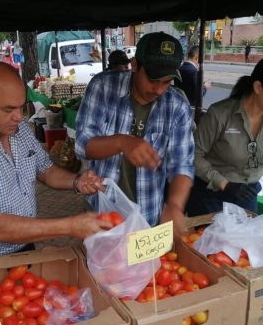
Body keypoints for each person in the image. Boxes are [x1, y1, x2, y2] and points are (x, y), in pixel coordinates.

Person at [0, 62, 113, 265]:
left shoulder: (17, 130)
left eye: (22, 106)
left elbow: (45, 170)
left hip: (23, 244)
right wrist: (70, 225)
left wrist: (77, 181)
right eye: (9, 109)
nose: (19, 117)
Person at [76, 32, 194, 235]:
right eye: (153, 79)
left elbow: (182, 164)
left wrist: (174, 205)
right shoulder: (103, 87)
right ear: (134, 65)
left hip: (148, 216)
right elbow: (83, 144)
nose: (158, 89)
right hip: (102, 213)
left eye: (167, 82)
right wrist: (122, 142)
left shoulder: (177, 106)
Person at [186, 53, 263, 216]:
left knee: (245, 240)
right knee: (214, 240)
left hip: (247, 194)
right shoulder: (220, 114)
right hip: (210, 195)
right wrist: (224, 183)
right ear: (258, 87)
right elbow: (194, 155)